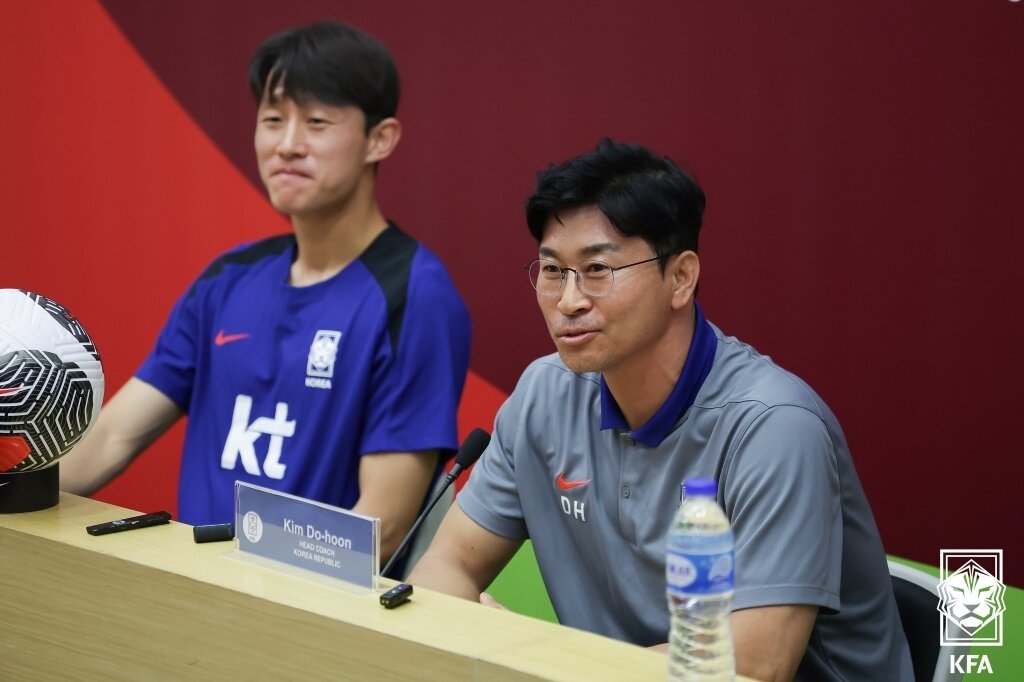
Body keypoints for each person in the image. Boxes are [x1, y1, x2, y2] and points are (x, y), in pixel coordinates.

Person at [408, 139, 913, 681]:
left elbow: (754, 666)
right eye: (553, 271)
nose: (569, 300)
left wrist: (537, 656)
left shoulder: (774, 427)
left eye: (598, 268)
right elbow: (446, 565)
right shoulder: (543, 395)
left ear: (681, 278)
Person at [60, 21, 472, 571]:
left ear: (381, 138)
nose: (287, 145)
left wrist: (249, 580)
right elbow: (111, 436)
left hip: (310, 621)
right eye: (273, 120)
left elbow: (384, 527)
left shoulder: (415, 293)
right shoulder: (228, 278)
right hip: (197, 600)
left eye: (317, 122)